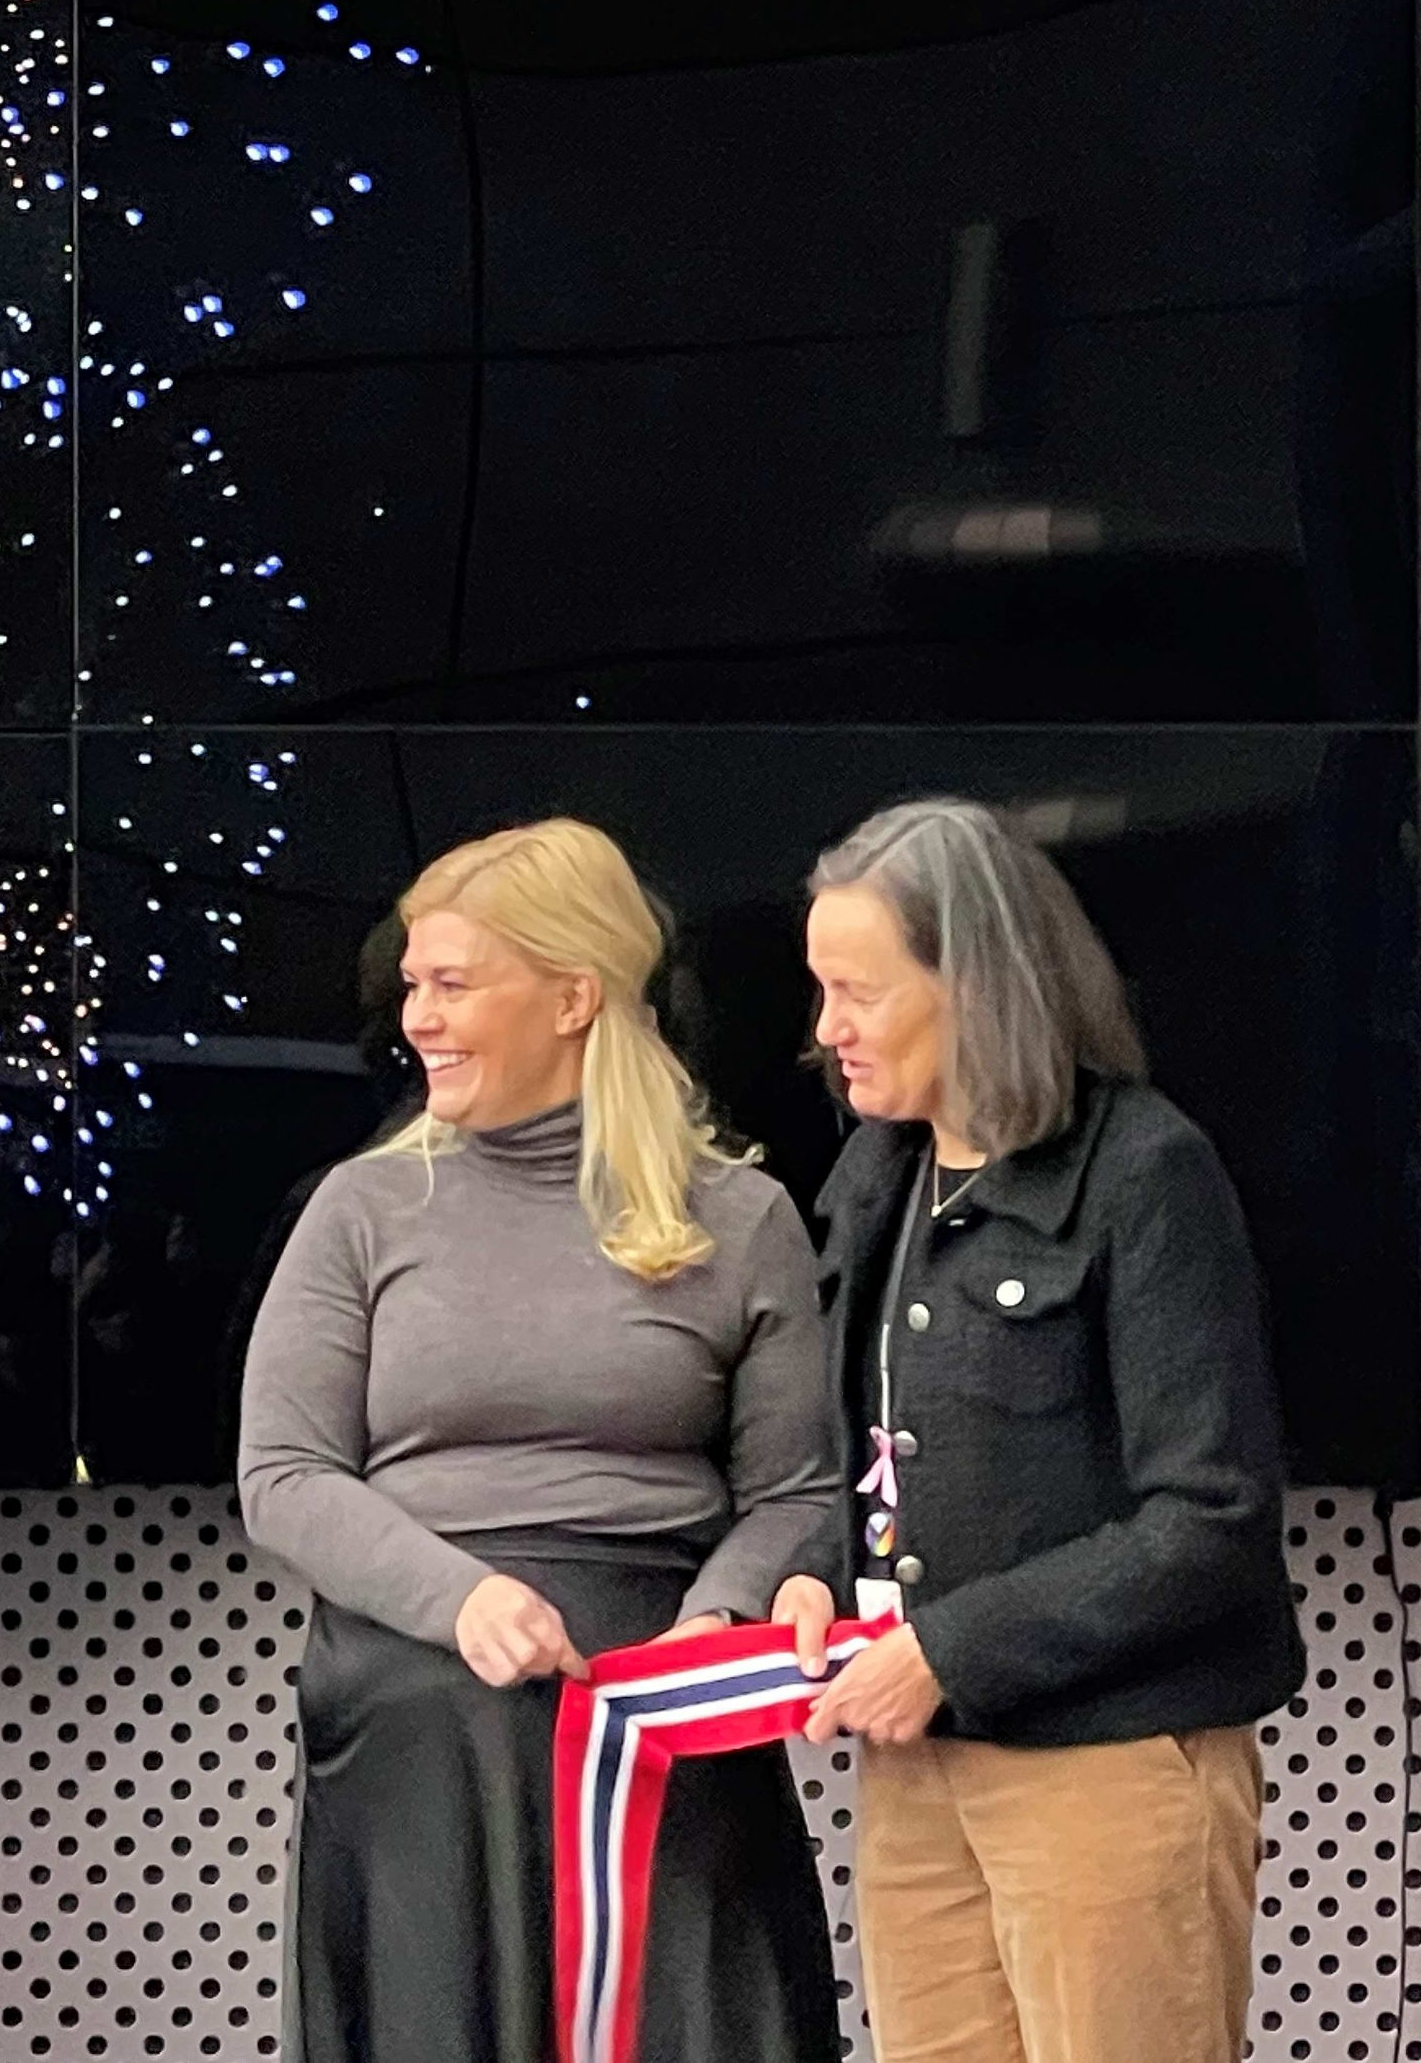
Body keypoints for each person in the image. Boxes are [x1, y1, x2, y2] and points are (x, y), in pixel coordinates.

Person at [237, 817, 843, 2063]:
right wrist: (461, 1600)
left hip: (658, 1689)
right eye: (413, 985)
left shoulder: (744, 1215)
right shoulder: (360, 1207)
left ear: (574, 997)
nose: (417, 1018)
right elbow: (284, 1474)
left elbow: (799, 1491)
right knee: (442, 1714)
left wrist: (715, 1625)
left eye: (453, 984)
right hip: (422, 1680)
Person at [798, 799, 1299, 2063]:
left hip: (1105, 1763)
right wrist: (813, 1570)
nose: (825, 1030)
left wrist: (949, 1649)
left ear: (973, 984)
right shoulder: (877, 1175)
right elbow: (866, 1447)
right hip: (918, 1773)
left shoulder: (1145, 1171)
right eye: (821, 989)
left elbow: (1213, 1520)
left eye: (858, 992)